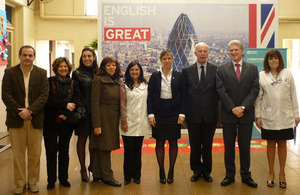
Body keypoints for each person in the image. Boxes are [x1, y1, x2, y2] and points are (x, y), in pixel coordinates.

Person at [2, 45, 49, 194]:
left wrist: (30, 110)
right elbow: (6, 95)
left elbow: (44, 96)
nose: (27, 58)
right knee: (18, 154)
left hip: (35, 119)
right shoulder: (10, 72)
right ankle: (19, 183)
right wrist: (21, 112)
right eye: (25, 55)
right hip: (16, 119)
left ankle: (33, 182)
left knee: (35, 154)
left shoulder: (42, 73)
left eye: (30, 55)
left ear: (34, 57)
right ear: (19, 56)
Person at [216, 40, 259, 187]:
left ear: (242, 51)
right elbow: (221, 90)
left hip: (246, 115)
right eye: (231, 50)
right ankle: (229, 175)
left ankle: (246, 175)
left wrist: (243, 107)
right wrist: (233, 108)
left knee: (245, 146)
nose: (233, 52)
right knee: (228, 147)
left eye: (236, 50)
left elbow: (254, 90)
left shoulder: (253, 69)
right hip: (229, 114)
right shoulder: (221, 69)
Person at [255, 49, 300, 188]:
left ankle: (282, 173)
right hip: (269, 116)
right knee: (270, 144)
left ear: (280, 60)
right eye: (270, 59)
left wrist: (296, 114)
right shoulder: (262, 75)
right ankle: (271, 173)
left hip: (286, 116)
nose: (273, 61)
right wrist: (258, 116)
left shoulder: (287, 74)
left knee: (282, 144)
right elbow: (258, 98)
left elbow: (293, 94)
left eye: (276, 58)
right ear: (267, 61)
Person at [147, 49, 186, 184]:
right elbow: (150, 97)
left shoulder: (179, 76)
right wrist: (150, 114)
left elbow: (184, 96)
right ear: (161, 60)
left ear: (172, 59)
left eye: (169, 58)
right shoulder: (155, 76)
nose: (167, 61)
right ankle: (161, 170)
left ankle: (171, 171)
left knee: (173, 142)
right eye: (164, 58)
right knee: (159, 142)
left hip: (174, 112)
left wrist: (182, 113)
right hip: (159, 112)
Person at [182, 42, 218, 183]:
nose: (202, 53)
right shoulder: (187, 71)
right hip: (193, 116)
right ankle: (196, 171)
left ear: (208, 53)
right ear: (195, 53)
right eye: (200, 51)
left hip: (210, 116)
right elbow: (184, 94)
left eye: (205, 51)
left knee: (208, 146)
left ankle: (207, 172)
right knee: (195, 146)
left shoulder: (216, 70)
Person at [43, 57, 80, 190]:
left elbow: (76, 101)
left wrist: (67, 114)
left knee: (64, 151)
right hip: (50, 122)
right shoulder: (49, 81)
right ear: (56, 68)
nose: (63, 69)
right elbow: (47, 100)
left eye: (65, 66)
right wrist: (65, 105)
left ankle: (63, 178)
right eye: (60, 66)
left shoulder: (73, 83)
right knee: (51, 151)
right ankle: (51, 180)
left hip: (66, 121)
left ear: (69, 68)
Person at [90, 56, 123, 187]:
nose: (111, 67)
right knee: (105, 147)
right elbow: (94, 103)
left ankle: (97, 174)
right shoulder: (99, 80)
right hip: (103, 118)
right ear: (103, 67)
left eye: (113, 65)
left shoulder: (118, 80)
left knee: (102, 147)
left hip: (113, 117)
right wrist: (97, 125)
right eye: (108, 65)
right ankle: (108, 176)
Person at [120, 61, 152, 185]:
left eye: (137, 70)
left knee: (138, 151)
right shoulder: (124, 85)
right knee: (128, 151)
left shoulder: (145, 85)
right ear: (128, 71)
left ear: (140, 71)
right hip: (128, 122)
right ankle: (127, 176)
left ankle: (137, 176)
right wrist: (123, 121)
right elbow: (122, 104)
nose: (134, 72)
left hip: (141, 123)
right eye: (132, 70)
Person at [72, 47, 98, 182]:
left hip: (96, 113)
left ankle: (92, 166)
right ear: (81, 59)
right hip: (83, 113)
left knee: (94, 142)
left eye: (89, 56)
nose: (87, 58)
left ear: (94, 57)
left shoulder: (99, 72)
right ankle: (83, 169)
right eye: (84, 56)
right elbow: (75, 94)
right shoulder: (76, 73)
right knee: (81, 141)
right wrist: (79, 109)